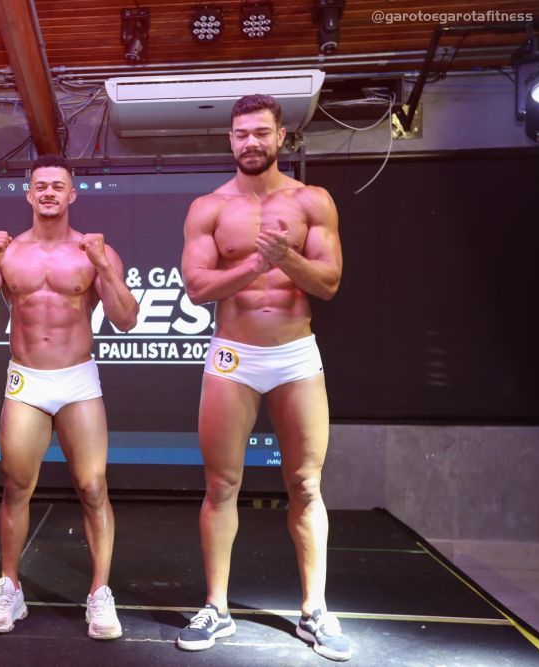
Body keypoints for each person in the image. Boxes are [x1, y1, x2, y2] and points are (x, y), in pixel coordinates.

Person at [177, 94, 350, 661]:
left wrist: (286, 258)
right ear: (230, 140)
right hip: (233, 355)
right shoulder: (209, 207)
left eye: (260, 132)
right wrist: (256, 262)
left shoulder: (311, 200)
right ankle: (217, 608)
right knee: (221, 485)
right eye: (240, 134)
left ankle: (315, 611)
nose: (249, 142)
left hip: (295, 354)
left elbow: (328, 283)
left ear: (281, 136)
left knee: (305, 484)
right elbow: (197, 287)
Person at [0, 154, 139, 640]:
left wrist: (104, 267)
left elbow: (126, 318)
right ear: (28, 194)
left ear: (72, 194)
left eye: (58, 185)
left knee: (93, 486)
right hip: (27, 382)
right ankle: (10, 587)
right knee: (16, 486)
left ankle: (100, 593)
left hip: (78, 380)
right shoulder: (8, 253)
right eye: (41, 185)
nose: (49, 193)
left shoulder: (94, 251)